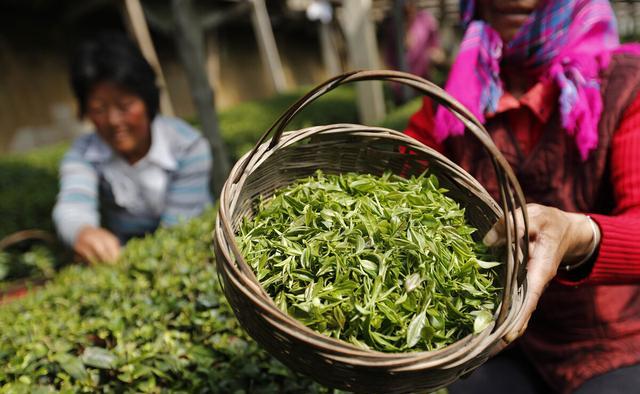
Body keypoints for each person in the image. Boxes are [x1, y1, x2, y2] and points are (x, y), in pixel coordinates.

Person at [404, 0, 640, 392]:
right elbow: (398, 177)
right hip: (502, 336)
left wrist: (578, 234)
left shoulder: (624, 86)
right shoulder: (456, 96)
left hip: (609, 342)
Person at [53, 32, 213, 264]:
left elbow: (176, 233)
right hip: (127, 253)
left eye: (125, 106)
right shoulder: (83, 154)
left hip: (193, 250)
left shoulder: (188, 147)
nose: (113, 121)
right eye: (99, 109)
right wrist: (82, 231)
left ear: (147, 101)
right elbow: (73, 204)